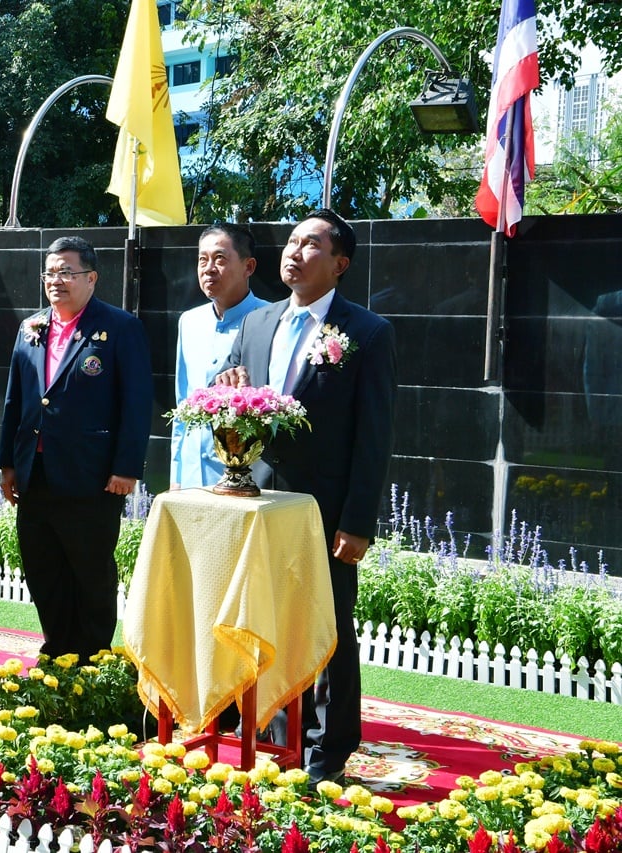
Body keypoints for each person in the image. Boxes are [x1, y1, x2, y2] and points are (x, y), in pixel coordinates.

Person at [215, 209, 396, 786]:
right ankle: (272, 732)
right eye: (291, 242)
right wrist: (226, 388)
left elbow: (374, 436)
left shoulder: (366, 333)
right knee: (262, 618)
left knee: (327, 627)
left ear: (340, 264)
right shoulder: (258, 322)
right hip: (258, 504)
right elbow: (228, 389)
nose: (294, 252)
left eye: (311, 245)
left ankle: (328, 749)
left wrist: (358, 521)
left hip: (324, 511)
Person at [0, 236, 153, 660]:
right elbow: (16, 400)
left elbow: (136, 403)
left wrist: (126, 467)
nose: (56, 281)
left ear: (91, 278)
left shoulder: (119, 328)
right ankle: (57, 651)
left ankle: (92, 658)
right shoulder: (30, 328)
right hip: (36, 472)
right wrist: (7, 464)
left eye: (67, 272)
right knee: (42, 568)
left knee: (90, 571)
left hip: (93, 476)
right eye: (50, 272)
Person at [171, 223, 268, 489]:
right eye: (203, 259)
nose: (208, 268)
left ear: (249, 267)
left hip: (245, 481)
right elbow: (183, 404)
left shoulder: (271, 320)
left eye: (220, 259)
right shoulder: (189, 321)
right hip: (192, 477)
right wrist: (176, 476)